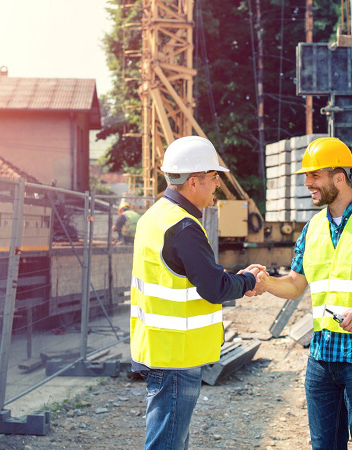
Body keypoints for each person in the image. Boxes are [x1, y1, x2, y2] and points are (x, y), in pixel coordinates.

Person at [245, 137, 352, 450]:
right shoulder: (312, 228)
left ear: (338, 177)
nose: (306, 182)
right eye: (306, 176)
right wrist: (266, 281)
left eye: (314, 175)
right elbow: (297, 284)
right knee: (324, 445)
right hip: (322, 357)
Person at [130, 135, 264, 450]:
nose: (217, 184)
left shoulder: (155, 217)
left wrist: (236, 279)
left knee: (170, 438)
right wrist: (247, 281)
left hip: (158, 347)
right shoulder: (184, 227)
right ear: (194, 181)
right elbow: (214, 287)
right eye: (214, 177)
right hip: (177, 354)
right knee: (167, 443)